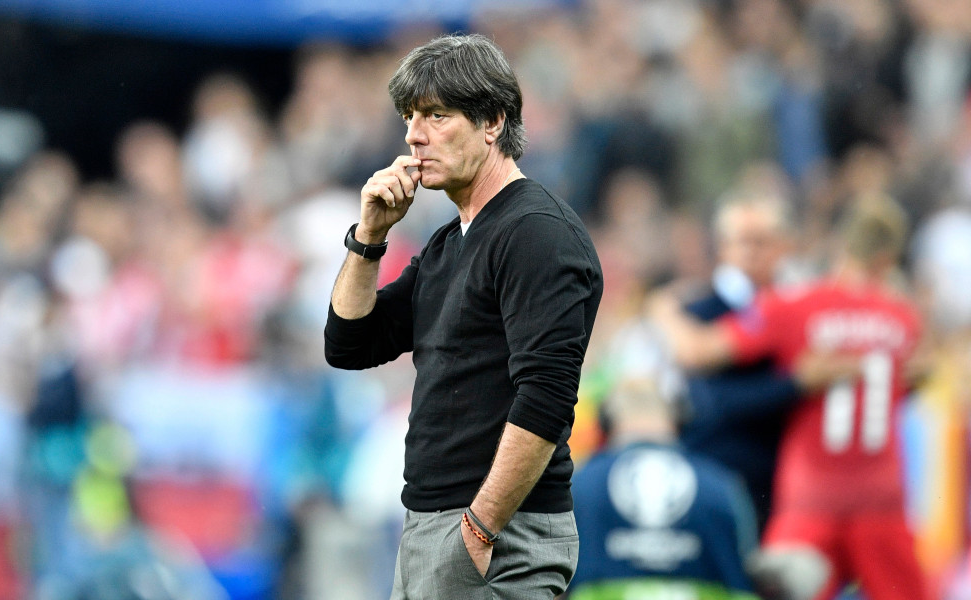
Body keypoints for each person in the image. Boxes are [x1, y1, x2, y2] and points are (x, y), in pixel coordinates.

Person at [324, 33, 603, 599]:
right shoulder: (450, 241)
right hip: (435, 527)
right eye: (409, 117)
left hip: (499, 533)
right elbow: (349, 343)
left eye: (436, 115)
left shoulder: (536, 232)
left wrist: (479, 528)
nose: (413, 134)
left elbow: (547, 397)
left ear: (493, 121)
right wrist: (369, 237)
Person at [651, 193, 927, 600]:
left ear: (838, 247)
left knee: (777, 590)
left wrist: (662, 311)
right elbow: (918, 371)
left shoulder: (795, 307)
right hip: (880, 494)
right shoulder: (904, 317)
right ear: (889, 259)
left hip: (811, 495)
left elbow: (696, 351)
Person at [569, 374, 762, 600]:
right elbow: (745, 571)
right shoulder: (722, 486)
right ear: (679, 419)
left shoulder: (579, 484)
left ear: (606, 423)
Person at [678, 189, 802, 531]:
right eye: (741, 241)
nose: (751, 251)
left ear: (784, 246)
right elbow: (710, 401)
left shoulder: (797, 310)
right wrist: (797, 383)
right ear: (722, 247)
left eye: (762, 241)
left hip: (779, 484)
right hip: (716, 474)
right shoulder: (696, 313)